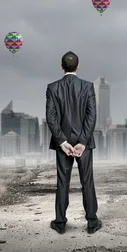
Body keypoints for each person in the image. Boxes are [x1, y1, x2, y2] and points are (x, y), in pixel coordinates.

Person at [46, 51, 102, 234]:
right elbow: (91, 116)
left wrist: (62, 141)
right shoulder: (87, 87)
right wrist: (83, 141)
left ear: (62, 66)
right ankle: (92, 222)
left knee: (63, 182)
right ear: (78, 66)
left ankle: (60, 223)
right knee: (87, 181)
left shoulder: (52, 88)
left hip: (63, 142)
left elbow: (51, 118)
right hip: (83, 141)